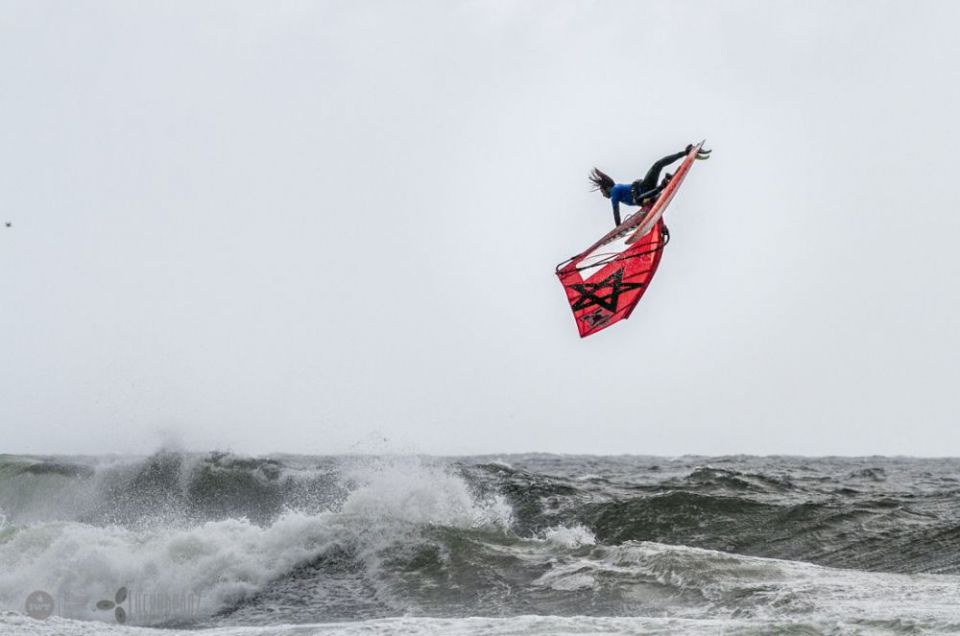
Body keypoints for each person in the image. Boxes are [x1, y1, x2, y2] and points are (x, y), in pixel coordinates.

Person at [590, 144, 695, 227]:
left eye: (602, 192)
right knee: (642, 200)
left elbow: (616, 212)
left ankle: (685, 153)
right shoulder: (617, 193)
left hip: (645, 187)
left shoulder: (615, 191)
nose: (603, 195)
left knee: (657, 165)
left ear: (606, 188)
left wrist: (618, 228)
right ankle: (664, 183)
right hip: (649, 196)